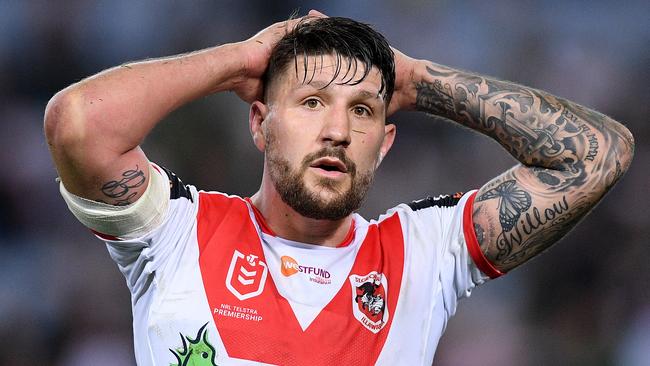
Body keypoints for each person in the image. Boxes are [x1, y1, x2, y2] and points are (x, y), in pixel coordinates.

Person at [44, 10, 634, 366]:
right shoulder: (175, 231)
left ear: (385, 141)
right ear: (259, 122)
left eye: (362, 111)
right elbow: (78, 123)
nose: (336, 131)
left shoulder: (423, 253)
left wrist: (415, 78)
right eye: (310, 103)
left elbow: (595, 153)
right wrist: (238, 61)